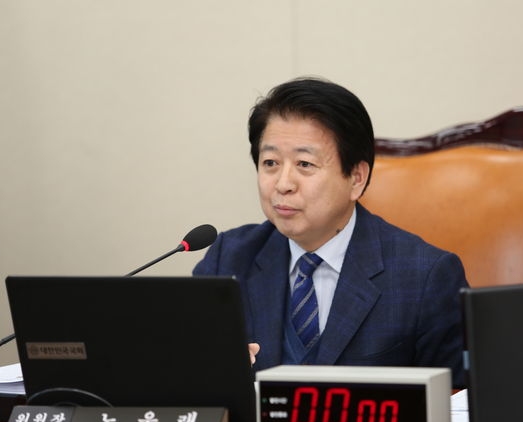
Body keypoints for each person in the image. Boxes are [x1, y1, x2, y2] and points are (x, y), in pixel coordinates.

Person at [193, 77, 469, 388]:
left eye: (305, 164)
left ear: (356, 178)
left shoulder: (426, 277)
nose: (283, 183)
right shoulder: (228, 259)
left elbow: (458, 401)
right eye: (270, 162)